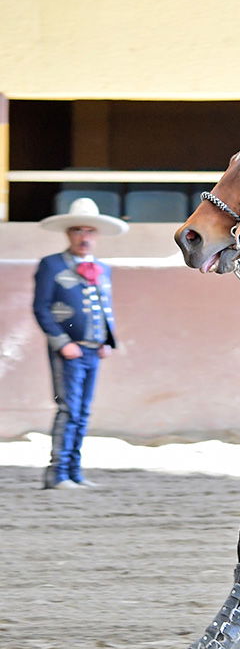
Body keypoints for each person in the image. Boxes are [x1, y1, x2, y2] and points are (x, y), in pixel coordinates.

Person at [33, 197, 128, 489]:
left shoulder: (101, 268)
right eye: (78, 231)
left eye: (89, 231)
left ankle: (74, 471)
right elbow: (42, 308)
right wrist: (62, 342)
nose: (83, 237)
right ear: (68, 234)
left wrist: (106, 341)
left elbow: (104, 306)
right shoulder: (51, 265)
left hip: (92, 349)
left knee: (83, 411)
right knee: (69, 409)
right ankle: (57, 472)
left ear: (95, 235)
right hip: (69, 350)